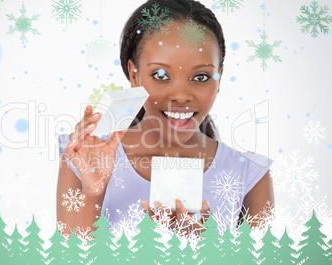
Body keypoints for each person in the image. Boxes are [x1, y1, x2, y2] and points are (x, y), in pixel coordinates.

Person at [56, 0, 274, 238]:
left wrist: (201, 248)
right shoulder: (83, 158)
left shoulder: (250, 175)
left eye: (200, 76)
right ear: (134, 75)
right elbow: (68, 259)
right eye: (160, 75)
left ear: (219, 78)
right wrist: (94, 193)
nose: (181, 96)